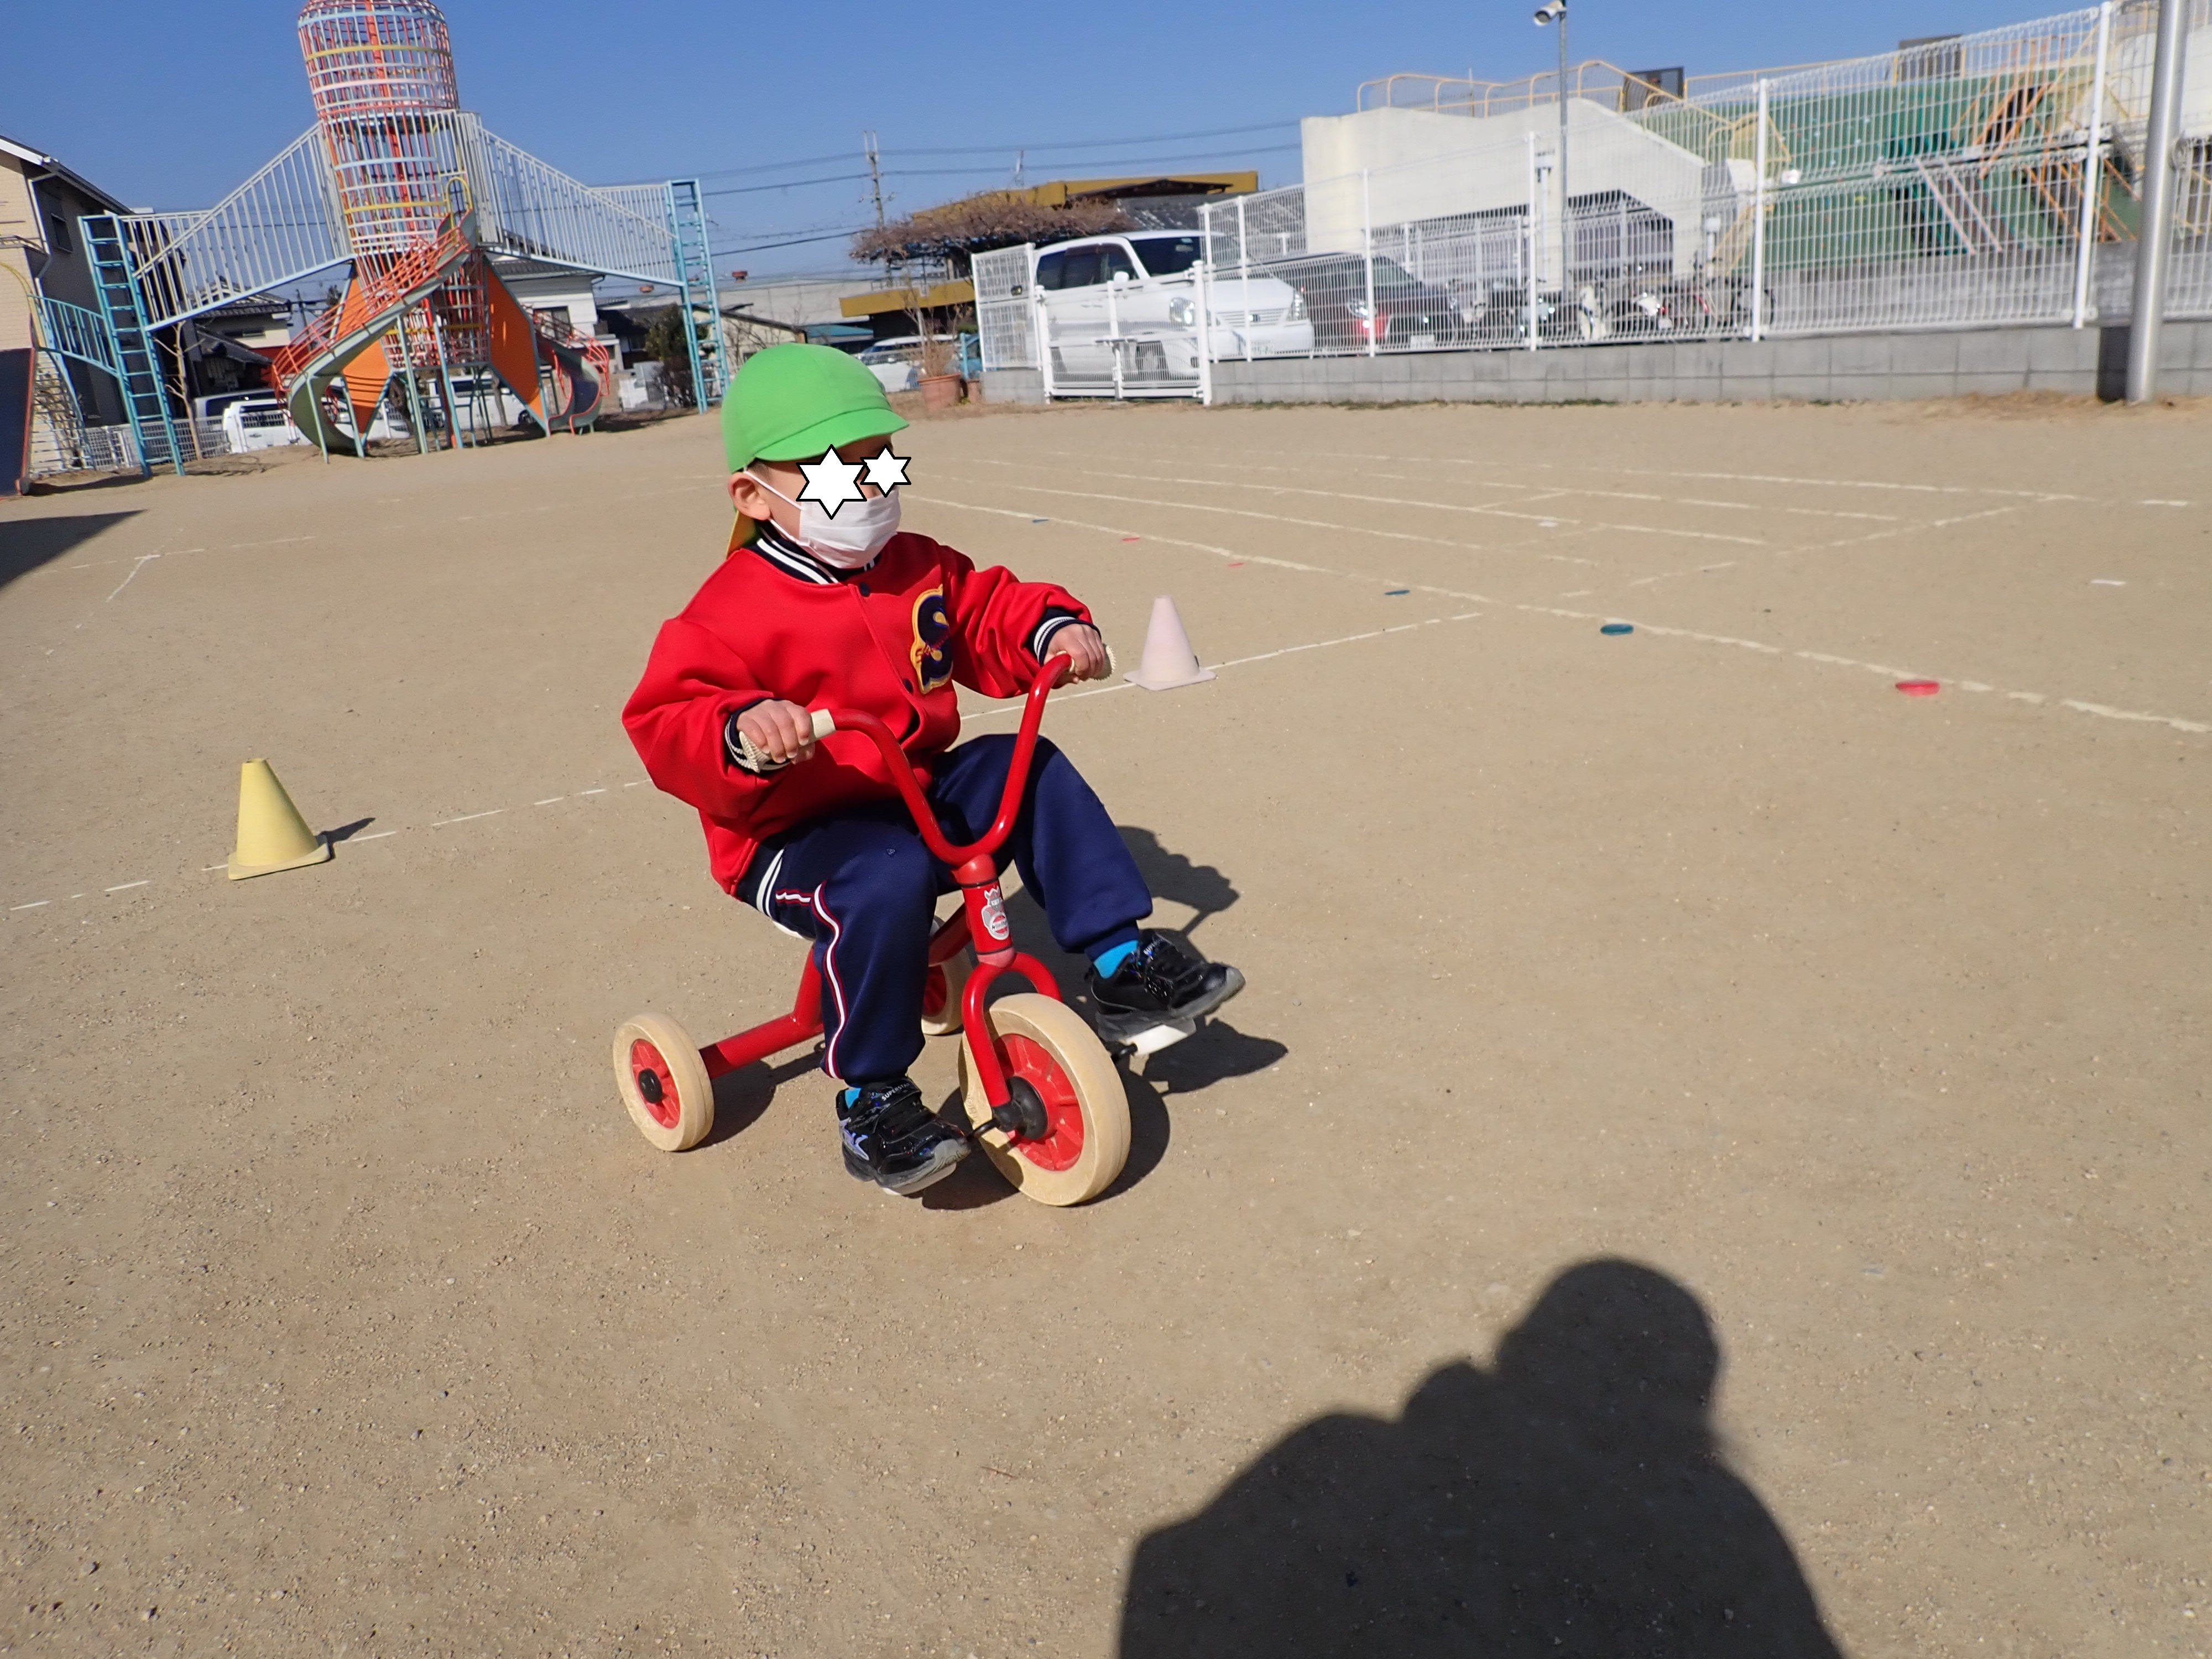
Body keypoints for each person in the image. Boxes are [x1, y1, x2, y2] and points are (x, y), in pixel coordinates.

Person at [623, 344, 1242, 1197]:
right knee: (885, 875)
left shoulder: (916, 566)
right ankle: (871, 1094)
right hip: (788, 834)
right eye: (832, 471)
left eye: (877, 460)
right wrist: (739, 729)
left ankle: (1118, 962)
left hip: (910, 788)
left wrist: (1051, 630)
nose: (866, 487)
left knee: (1022, 766)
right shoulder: (727, 612)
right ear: (753, 496)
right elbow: (666, 718)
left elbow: (988, 612)